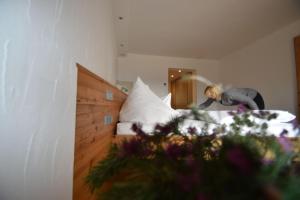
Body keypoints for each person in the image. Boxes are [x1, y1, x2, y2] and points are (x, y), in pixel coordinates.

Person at [199, 85, 265, 110]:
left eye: (209, 94)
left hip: (253, 97)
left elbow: (248, 100)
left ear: (214, 92)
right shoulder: (213, 97)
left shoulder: (228, 94)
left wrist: (257, 112)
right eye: (208, 96)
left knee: (260, 115)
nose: (209, 97)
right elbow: (205, 104)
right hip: (245, 102)